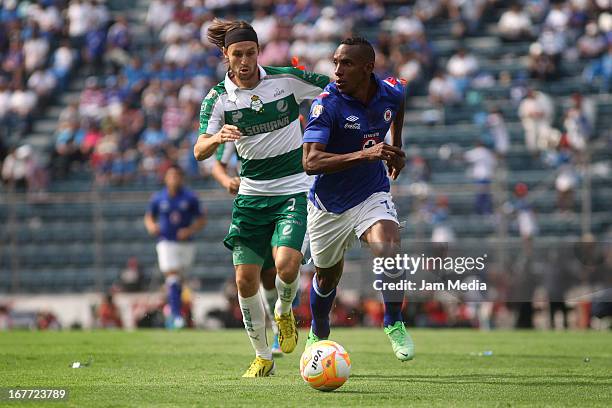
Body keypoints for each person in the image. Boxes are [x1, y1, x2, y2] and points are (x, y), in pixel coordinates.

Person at [193, 19, 329, 377]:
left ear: (258, 52)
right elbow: (199, 151)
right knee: (244, 280)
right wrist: (217, 137)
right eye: (237, 54)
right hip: (252, 196)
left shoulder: (286, 79)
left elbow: (332, 92)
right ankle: (262, 357)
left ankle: (284, 312)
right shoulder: (217, 98)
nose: (245, 60)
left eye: (250, 53)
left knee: (285, 266)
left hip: (293, 190)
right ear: (226, 55)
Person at [302, 37, 414, 361]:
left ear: (368, 68)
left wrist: (397, 145)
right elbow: (310, 162)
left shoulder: (391, 90)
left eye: (346, 64)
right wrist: (366, 154)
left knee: (389, 248)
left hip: (370, 193)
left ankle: (394, 323)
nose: (337, 70)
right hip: (328, 204)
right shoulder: (327, 104)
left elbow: (400, 100)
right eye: (335, 62)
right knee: (327, 276)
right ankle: (319, 332)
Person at [210, 141, 282, 355]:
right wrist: (227, 181)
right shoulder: (238, 123)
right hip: (253, 206)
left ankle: (284, 317)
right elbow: (217, 164)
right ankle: (272, 338)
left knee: (279, 269)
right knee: (261, 276)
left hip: (285, 200)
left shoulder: (289, 118)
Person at [144, 165, 206, 329]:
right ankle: (176, 315)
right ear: (166, 178)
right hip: (166, 242)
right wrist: (151, 226)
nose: (174, 179)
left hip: (186, 244)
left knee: (179, 280)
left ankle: (176, 313)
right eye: (171, 176)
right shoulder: (158, 198)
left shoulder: (190, 197)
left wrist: (190, 230)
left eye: (177, 176)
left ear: (182, 178)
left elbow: (201, 219)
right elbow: (149, 217)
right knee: (172, 275)